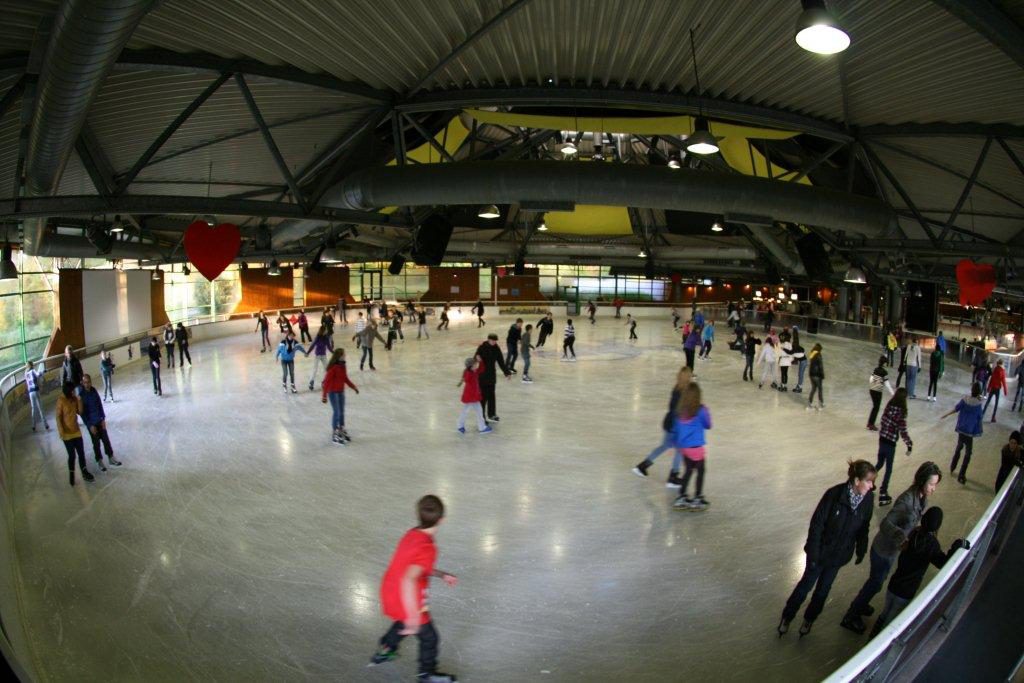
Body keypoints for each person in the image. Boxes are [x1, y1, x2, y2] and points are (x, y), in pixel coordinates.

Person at [842, 462, 942, 634]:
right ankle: (851, 615)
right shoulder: (906, 501)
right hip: (883, 551)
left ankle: (861, 603)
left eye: (935, 484)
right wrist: (903, 539)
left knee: (877, 582)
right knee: (875, 583)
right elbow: (885, 524)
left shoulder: (921, 497)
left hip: (890, 551)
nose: (934, 488)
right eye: (931, 484)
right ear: (921, 480)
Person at [779, 460, 876, 638]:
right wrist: (814, 555)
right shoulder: (834, 495)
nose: (872, 486)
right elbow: (817, 525)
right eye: (868, 481)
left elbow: (864, 526)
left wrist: (861, 548)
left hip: (838, 557)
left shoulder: (868, 499)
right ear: (856, 481)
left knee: (823, 591)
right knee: (804, 587)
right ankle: (787, 616)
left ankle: (809, 619)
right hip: (820, 553)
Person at [369, 495, 458, 683]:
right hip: (407, 597)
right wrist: (413, 616)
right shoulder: (428, 547)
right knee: (430, 638)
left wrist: (442, 575)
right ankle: (427, 675)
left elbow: (415, 567)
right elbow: (410, 579)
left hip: (390, 590)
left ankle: (385, 649)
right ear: (442, 520)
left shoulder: (412, 534)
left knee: (401, 622)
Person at [869, 507, 966, 638]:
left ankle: (872, 636)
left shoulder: (913, 533)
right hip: (906, 590)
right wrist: (957, 546)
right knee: (890, 621)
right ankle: (877, 643)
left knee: (885, 613)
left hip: (894, 584)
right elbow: (942, 563)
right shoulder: (931, 544)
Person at [633, 366, 693, 487]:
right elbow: (680, 411)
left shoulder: (677, 388)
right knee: (680, 450)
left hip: (669, 422)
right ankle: (673, 477)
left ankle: (642, 466)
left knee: (664, 446)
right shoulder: (684, 392)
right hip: (676, 425)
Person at [671, 382, 713, 511]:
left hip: (684, 447)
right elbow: (708, 425)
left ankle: (681, 496)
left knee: (688, 470)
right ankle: (698, 498)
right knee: (700, 471)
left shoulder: (680, 410)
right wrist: (707, 413)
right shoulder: (701, 410)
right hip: (696, 447)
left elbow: (676, 428)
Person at [874, 388, 913, 505]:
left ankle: (868, 480)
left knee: (880, 463)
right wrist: (909, 445)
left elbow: (883, 420)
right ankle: (883, 493)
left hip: (882, 439)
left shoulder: (889, 405)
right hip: (890, 443)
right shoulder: (901, 413)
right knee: (889, 468)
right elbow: (903, 431)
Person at [942, 382, 985, 485]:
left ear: (972, 390)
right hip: (969, 431)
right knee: (968, 453)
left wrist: (946, 414)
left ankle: (953, 466)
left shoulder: (965, 400)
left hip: (961, 429)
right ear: (979, 392)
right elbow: (980, 418)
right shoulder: (979, 404)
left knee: (959, 447)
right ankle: (962, 474)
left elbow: (956, 409)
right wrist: (980, 429)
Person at [78, 374, 122, 471]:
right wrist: (90, 425)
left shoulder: (94, 391)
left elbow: (99, 405)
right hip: (92, 424)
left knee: (106, 440)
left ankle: (111, 458)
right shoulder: (81, 396)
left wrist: (103, 418)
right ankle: (99, 461)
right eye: (85, 382)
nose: (87, 384)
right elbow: (83, 414)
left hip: (99, 420)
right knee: (96, 443)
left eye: (88, 382)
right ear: (82, 383)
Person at [57, 381, 93, 486]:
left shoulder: (73, 399)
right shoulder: (61, 401)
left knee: (81, 453)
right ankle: (72, 474)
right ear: (68, 391)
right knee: (72, 455)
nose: (74, 392)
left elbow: (80, 412)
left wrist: (79, 401)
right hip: (67, 434)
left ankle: (84, 472)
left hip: (76, 431)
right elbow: (58, 417)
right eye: (72, 390)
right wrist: (61, 431)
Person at [321, 348, 359, 444]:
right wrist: (324, 396)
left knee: (341, 411)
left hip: (341, 391)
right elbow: (326, 382)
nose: (345, 356)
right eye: (343, 354)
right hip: (333, 393)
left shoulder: (343, 366)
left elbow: (345, 378)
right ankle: (335, 433)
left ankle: (341, 429)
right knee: (337, 412)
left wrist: (353, 387)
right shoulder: (333, 368)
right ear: (339, 356)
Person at [475, 333, 511, 421]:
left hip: (491, 375)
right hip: (482, 376)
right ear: (488, 340)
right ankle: (482, 417)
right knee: (483, 398)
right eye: (493, 340)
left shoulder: (496, 348)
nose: (494, 342)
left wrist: (507, 372)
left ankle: (492, 414)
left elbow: (501, 362)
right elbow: (475, 358)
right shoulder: (482, 347)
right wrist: (477, 358)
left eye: (495, 341)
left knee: (491, 395)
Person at [456, 357, 492, 434]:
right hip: (471, 397)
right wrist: (469, 371)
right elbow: (467, 379)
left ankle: (460, 426)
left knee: (472, 411)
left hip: (473, 396)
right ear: (471, 366)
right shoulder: (469, 373)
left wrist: (481, 361)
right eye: (475, 364)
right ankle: (481, 427)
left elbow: (482, 369)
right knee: (475, 411)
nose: (477, 365)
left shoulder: (474, 371)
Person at [867, 356, 895, 431]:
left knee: (874, 407)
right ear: (885, 363)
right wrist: (893, 393)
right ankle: (871, 424)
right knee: (876, 408)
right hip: (877, 391)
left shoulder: (875, 369)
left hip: (872, 390)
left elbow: (871, 379)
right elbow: (887, 384)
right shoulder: (884, 372)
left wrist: (872, 386)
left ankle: (870, 422)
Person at [306, 326, 334, 391]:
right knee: (315, 369)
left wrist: (334, 353)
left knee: (327, 369)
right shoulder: (317, 337)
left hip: (323, 355)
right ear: (323, 331)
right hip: (317, 355)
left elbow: (329, 347)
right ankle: (311, 382)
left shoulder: (326, 338)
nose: (327, 331)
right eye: (326, 330)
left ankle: (324, 382)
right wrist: (308, 352)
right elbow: (312, 345)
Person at [25, 360, 50, 431]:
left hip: (30, 392)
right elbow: (38, 374)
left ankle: (33, 425)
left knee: (33, 408)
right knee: (40, 408)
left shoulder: (26, 373)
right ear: (32, 365)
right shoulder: (33, 371)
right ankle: (45, 425)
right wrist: (44, 371)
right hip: (36, 390)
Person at [983, 358, 1008, 422]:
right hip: (997, 389)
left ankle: (982, 414)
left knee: (988, 402)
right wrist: (1005, 391)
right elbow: (1004, 381)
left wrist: (988, 388)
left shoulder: (995, 369)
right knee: (996, 404)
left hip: (993, 388)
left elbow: (992, 379)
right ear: (1002, 363)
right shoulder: (1002, 371)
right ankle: (993, 417)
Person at [806, 343, 825, 410]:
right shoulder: (818, 355)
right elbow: (820, 365)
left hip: (811, 374)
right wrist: (822, 374)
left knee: (813, 389)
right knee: (820, 389)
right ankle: (820, 405)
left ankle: (809, 404)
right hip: (817, 375)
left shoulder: (812, 354)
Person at [792, 327, 807, 393]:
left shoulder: (796, 349)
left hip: (803, 362)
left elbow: (796, 338)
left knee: (800, 374)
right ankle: (799, 386)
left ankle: (800, 387)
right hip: (802, 361)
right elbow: (795, 338)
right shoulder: (797, 347)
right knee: (799, 374)